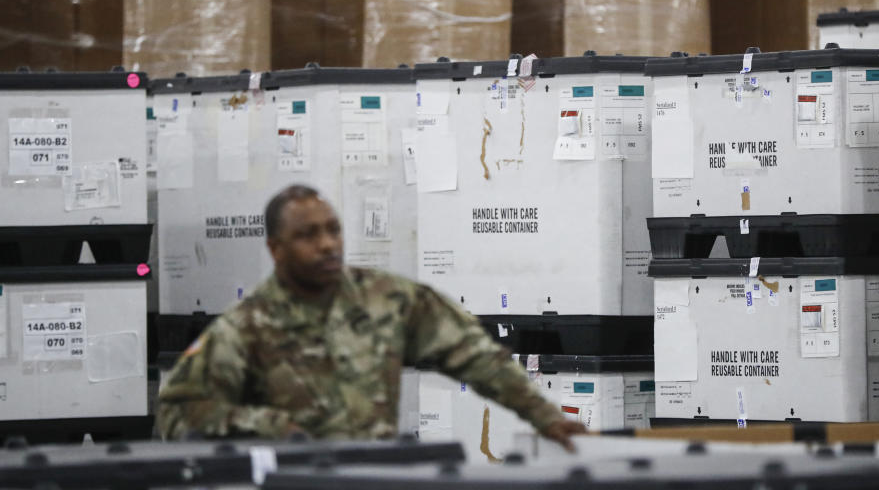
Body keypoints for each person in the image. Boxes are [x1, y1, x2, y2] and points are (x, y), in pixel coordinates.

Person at [157, 185, 586, 449]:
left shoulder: (387, 299)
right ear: (275, 249)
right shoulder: (247, 327)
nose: (327, 245)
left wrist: (545, 417)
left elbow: (475, 355)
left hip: (373, 475)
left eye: (333, 229)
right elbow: (177, 412)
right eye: (307, 235)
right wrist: (269, 427)